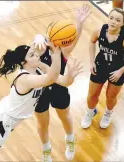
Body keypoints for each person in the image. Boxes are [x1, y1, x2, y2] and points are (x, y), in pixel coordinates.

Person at [31, 4, 91, 161]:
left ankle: (70, 138)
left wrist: (79, 22)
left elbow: (74, 38)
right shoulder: (39, 49)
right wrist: (37, 36)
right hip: (40, 91)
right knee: (43, 124)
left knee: (65, 116)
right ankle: (46, 149)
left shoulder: (63, 50)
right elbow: (34, 46)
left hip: (59, 89)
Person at [81, 8, 124, 129]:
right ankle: (90, 113)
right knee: (92, 95)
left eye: (117, 20)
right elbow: (92, 42)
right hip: (100, 66)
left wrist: (120, 71)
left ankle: (108, 114)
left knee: (111, 97)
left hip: (117, 70)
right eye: (111, 18)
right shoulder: (99, 30)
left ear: (123, 23)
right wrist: (92, 62)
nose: (113, 22)